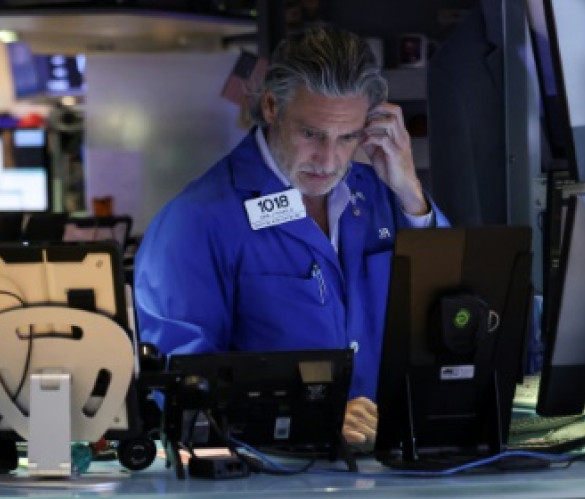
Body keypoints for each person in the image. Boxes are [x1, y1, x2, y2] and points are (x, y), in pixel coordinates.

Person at [134, 26, 448, 448]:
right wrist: (313, 414)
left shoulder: (381, 193)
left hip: (386, 467)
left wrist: (412, 195)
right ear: (270, 106)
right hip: (268, 486)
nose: (329, 159)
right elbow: (181, 385)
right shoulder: (195, 222)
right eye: (311, 134)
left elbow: (452, 306)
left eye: (348, 137)